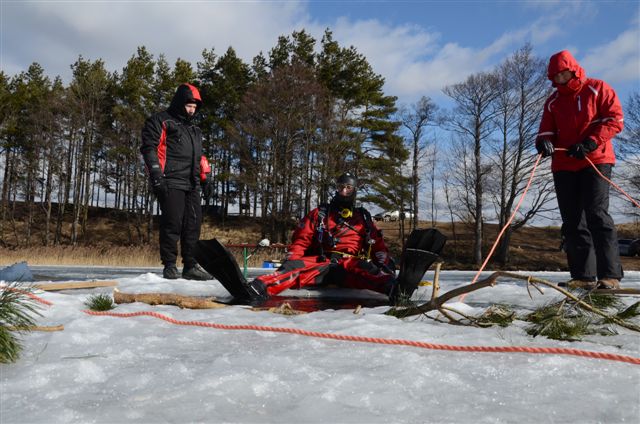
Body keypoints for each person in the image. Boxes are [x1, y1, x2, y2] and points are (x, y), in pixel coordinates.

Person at [535, 50, 624, 289]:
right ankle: (583, 276)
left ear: (574, 70)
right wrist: (543, 142)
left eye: (564, 74)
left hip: (595, 159)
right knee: (573, 220)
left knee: (597, 214)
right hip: (564, 165)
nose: (561, 79)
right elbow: (546, 130)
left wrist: (590, 142)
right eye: (556, 76)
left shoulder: (598, 88)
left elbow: (616, 120)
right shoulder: (553, 101)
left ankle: (610, 275)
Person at [247, 172, 398, 300]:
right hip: (322, 262)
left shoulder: (363, 218)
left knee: (370, 272)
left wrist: (386, 267)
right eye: (341, 187)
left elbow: (378, 247)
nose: (344, 191)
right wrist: (290, 262)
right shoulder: (320, 214)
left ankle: (394, 288)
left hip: (350, 264)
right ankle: (259, 287)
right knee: (293, 268)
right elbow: (301, 241)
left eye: (348, 188)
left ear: (354, 191)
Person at [141, 83, 213, 280]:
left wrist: (205, 178)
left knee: (193, 224)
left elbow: (199, 157)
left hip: (192, 183)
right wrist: (156, 176)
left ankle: (190, 265)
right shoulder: (161, 121)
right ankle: (170, 266)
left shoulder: (194, 130)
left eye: (195, 107)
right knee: (172, 223)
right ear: (180, 102)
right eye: (189, 105)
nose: (192, 110)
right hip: (170, 180)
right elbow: (149, 149)